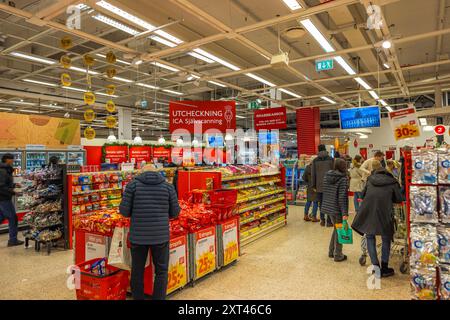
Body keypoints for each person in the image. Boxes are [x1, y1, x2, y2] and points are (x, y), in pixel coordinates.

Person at [119, 164, 181, 300]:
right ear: (157, 172)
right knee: (161, 271)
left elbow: (124, 211)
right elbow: (176, 212)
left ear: (141, 172)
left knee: (137, 270)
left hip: (138, 237)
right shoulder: (168, 187)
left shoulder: (132, 186)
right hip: (160, 236)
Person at [352, 166, 403, 277]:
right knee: (386, 238)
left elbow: (362, 194)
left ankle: (376, 268)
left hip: (368, 212)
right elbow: (399, 198)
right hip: (385, 213)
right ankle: (384, 267)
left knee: (370, 237)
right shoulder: (393, 182)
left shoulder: (370, 180)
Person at [321, 158, 349, 262]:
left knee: (336, 229)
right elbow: (342, 197)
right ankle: (338, 255)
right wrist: (345, 213)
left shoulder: (327, 176)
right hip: (337, 209)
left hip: (328, 207)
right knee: (339, 230)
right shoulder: (343, 179)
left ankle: (331, 251)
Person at [0, 154, 24, 247]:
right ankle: (13, 240)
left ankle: (13, 239)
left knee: (1, 217)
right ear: (7, 160)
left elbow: (5, 184)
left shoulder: (6, 170)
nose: (13, 161)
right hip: (4, 198)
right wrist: (13, 191)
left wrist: (14, 185)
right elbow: (1, 187)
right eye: (12, 159)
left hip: (3, 198)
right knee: (13, 218)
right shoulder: (3, 171)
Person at [311, 144, 334, 227]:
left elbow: (313, 174)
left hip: (319, 186)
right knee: (329, 203)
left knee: (321, 203)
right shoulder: (331, 159)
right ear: (325, 150)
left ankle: (322, 221)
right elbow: (334, 172)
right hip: (329, 185)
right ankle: (329, 221)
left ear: (318, 150)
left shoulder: (315, 160)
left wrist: (313, 185)